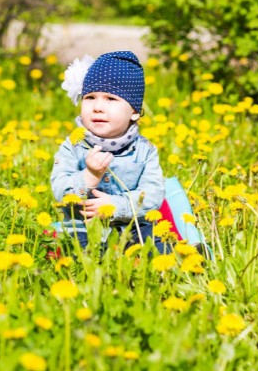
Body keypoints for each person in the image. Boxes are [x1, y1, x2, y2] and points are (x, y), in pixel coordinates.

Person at [50, 51, 169, 254]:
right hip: (84, 230)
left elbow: (153, 195)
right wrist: (89, 176)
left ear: (134, 111)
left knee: (158, 247)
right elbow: (60, 191)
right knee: (79, 252)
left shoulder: (145, 151)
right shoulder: (73, 146)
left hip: (134, 229)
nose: (97, 107)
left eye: (110, 99)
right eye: (90, 97)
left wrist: (115, 205)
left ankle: (189, 259)